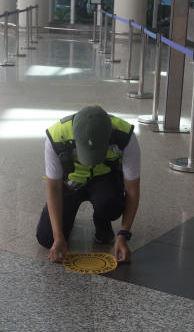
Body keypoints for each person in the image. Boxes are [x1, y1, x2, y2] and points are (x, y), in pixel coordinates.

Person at [36, 105, 141, 264]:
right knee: (46, 238)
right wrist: (58, 236)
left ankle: (102, 221)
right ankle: (65, 222)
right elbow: (53, 188)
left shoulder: (125, 137)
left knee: (110, 205)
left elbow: (132, 190)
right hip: (70, 182)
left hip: (105, 180)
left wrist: (123, 235)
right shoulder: (56, 137)